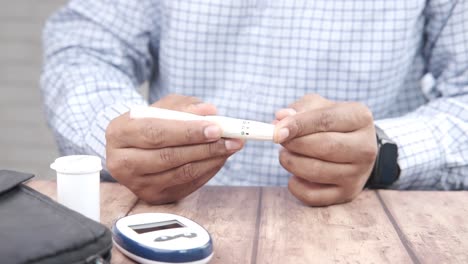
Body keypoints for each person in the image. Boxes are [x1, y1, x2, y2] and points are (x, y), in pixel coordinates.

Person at [41, 0, 468, 206]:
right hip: (175, 220)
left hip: (375, 219)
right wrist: (116, 130)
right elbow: (84, 49)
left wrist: (385, 151)